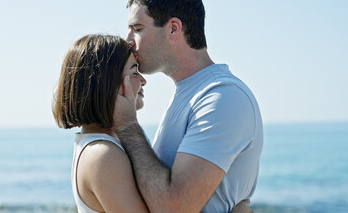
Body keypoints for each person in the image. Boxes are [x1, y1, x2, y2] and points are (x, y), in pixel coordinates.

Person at [53, 34, 253, 213]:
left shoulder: (97, 144)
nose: (142, 80)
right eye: (133, 72)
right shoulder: (102, 154)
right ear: (107, 83)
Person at [113, 0, 263, 213]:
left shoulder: (222, 96)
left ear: (174, 28)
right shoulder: (189, 93)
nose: (128, 40)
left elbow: (174, 208)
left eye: (138, 29)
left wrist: (127, 126)